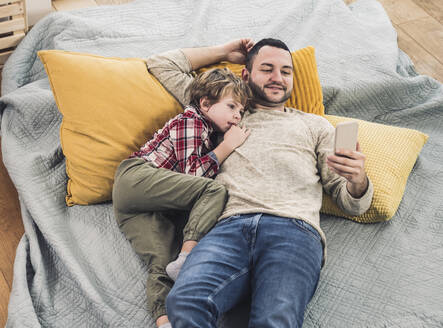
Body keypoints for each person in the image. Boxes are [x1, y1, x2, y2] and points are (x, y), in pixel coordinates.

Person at [145, 38, 374, 328]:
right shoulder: (224, 110)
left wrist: (357, 179)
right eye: (267, 69)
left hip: (293, 230)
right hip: (228, 227)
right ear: (245, 74)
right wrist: (224, 53)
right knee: (184, 301)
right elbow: (161, 64)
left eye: (286, 71)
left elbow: (351, 202)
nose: (278, 78)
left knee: (274, 320)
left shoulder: (315, 125)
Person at [112, 67, 252, 328]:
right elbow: (194, 175)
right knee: (214, 191)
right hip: (135, 178)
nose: (237, 115)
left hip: (140, 207)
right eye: (232, 106)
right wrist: (227, 146)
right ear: (205, 104)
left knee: (162, 263)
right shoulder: (193, 120)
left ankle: (163, 322)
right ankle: (189, 257)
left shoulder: (208, 132)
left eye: (241, 112)